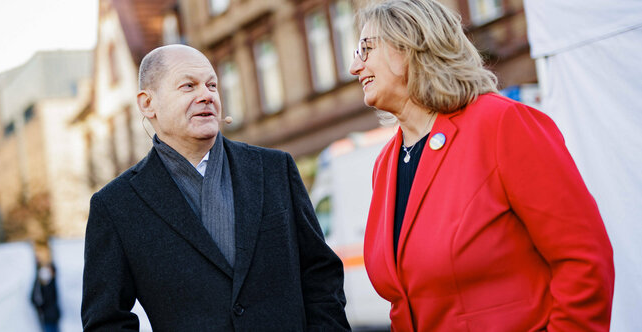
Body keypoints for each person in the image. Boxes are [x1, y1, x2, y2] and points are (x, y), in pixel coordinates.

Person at [349, 0, 615, 331]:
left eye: (365, 49)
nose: (354, 67)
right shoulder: (384, 165)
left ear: (410, 46)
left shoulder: (502, 124)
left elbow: (584, 260)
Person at [81, 44, 350, 331]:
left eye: (212, 85)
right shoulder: (117, 205)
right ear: (148, 104)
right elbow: (105, 321)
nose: (206, 95)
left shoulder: (274, 170)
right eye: (188, 86)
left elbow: (320, 274)